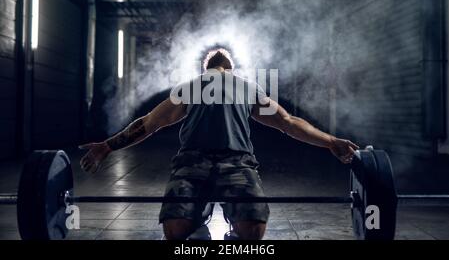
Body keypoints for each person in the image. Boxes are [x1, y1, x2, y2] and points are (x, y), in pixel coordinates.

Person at [79, 47, 358, 240]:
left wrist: (107, 146)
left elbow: (148, 124)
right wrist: (331, 141)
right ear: (228, 68)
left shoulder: (197, 85)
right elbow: (289, 123)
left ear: (208, 68)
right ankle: (206, 226)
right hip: (216, 164)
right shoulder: (243, 86)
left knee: (175, 231)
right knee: (253, 232)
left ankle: (211, 228)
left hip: (217, 164)